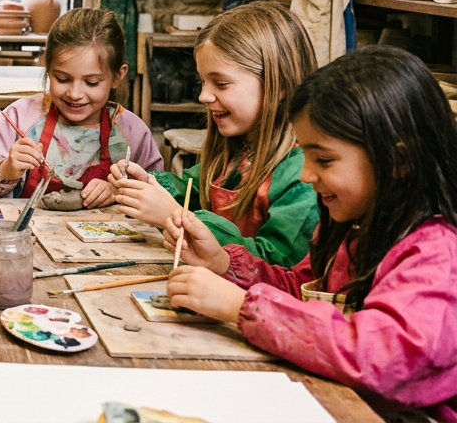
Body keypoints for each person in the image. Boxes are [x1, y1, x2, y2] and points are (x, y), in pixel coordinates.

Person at [164, 46, 457, 421]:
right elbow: (298, 289)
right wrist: (222, 262)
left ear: (398, 160)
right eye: (305, 156)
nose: (306, 175)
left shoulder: (436, 254)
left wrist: (241, 308)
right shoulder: (351, 229)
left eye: (325, 160)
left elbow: (380, 356)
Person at [112, 1, 318, 266]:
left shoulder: (306, 173)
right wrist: (150, 185)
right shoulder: (237, 149)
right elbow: (194, 192)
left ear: (278, 84)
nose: (203, 96)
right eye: (203, 82)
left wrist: (175, 215)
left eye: (221, 84)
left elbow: (276, 263)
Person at [0, 8, 164, 208]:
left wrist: (118, 192)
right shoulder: (21, 118)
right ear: (47, 69)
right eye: (62, 79)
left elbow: (159, 195)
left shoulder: (133, 133)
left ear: (117, 76)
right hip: (25, 236)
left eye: (92, 82)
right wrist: (6, 169)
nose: (75, 93)